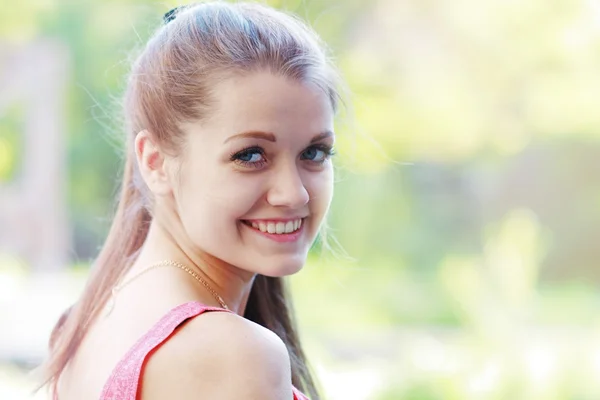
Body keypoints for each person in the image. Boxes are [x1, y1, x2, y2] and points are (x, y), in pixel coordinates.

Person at [39, 1, 345, 399]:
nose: (294, 193)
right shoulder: (235, 355)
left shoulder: (84, 322)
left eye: (314, 153)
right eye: (250, 155)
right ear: (156, 162)